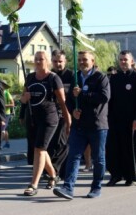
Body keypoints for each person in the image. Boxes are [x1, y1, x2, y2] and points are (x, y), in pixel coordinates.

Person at [53, 50, 110, 200]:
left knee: (98, 158)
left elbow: (104, 97)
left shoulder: (100, 77)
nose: (82, 62)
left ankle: (96, 187)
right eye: (79, 60)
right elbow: (70, 99)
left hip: (97, 125)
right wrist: (73, 111)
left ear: (92, 60)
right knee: (73, 156)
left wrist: (84, 95)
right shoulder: (76, 77)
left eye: (85, 59)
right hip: (79, 125)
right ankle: (68, 187)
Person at [20, 51, 71, 197]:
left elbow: (62, 102)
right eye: (36, 59)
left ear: (47, 61)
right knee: (41, 149)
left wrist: (68, 122)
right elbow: (23, 99)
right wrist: (25, 99)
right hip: (33, 118)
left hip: (49, 119)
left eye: (41, 59)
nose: (37, 62)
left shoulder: (53, 78)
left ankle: (33, 184)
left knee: (39, 149)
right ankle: (54, 175)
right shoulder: (30, 77)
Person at [105, 51, 136, 186]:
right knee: (114, 148)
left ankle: (130, 176)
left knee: (130, 149)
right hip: (115, 119)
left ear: (132, 61)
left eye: (125, 59)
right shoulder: (114, 78)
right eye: (121, 59)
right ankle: (116, 175)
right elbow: (109, 100)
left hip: (131, 120)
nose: (123, 62)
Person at [48, 49, 74, 179]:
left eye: (60, 61)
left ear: (65, 61)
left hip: (66, 112)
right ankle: (53, 171)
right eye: (55, 61)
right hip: (51, 114)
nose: (58, 64)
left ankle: (57, 169)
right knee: (52, 143)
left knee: (63, 142)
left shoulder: (72, 75)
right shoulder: (49, 75)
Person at [1, 79, 15, 149]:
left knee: (2, 129)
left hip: (6, 114)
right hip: (1, 113)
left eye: (2, 84)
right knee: (5, 129)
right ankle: (7, 143)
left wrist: (4, 105)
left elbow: (12, 104)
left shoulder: (7, 93)